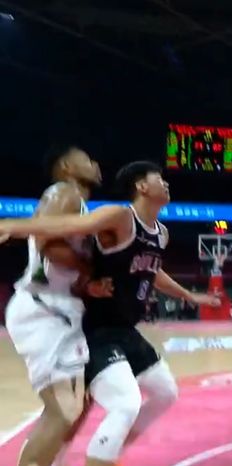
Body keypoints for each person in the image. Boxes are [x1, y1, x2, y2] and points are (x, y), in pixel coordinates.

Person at [0, 161, 220, 466]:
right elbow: (67, 226)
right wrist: (14, 226)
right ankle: (99, 458)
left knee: (166, 392)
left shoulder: (162, 233)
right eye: (159, 179)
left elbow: (152, 270)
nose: (167, 184)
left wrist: (189, 295)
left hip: (124, 327)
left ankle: (107, 449)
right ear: (142, 187)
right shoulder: (119, 217)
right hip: (96, 327)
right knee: (124, 404)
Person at [3, 144, 112, 466]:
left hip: (58, 308)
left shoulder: (78, 205)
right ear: (66, 167)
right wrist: (90, 268)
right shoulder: (65, 192)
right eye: (87, 159)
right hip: (44, 308)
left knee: (77, 404)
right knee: (63, 409)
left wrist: (87, 282)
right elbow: (46, 243)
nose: (95, 164)